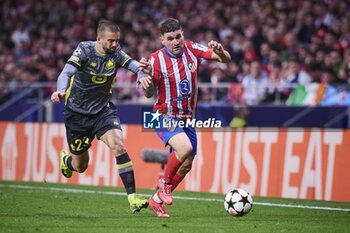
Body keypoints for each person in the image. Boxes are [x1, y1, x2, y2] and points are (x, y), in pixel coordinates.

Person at [50, 20, 153, 213]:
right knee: (80, 166)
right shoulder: (85, 50)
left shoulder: (116, 52)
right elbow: (66, 72)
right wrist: (60, 91)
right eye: (111, 41)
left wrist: (141, 75)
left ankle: (132, 198)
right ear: (99, 39)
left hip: (102, 111)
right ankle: (67, 162)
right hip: (77, 115)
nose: (115, 45)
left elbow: (134, 65)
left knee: (119, 145)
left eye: (117, 41)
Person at [143, 18, 231, 217]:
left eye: (178, 36)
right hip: (163, 115)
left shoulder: (192, 49)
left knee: (187, 164)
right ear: (162, 40)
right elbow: (149, 93)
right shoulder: (155, 60)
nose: (176, 42)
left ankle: (155, 201)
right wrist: (147, 82)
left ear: (183, 35)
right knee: (185, 148)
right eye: (170, 38)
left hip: (187, 118)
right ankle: (164, 183)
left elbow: (226, 59)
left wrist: (220, 52)